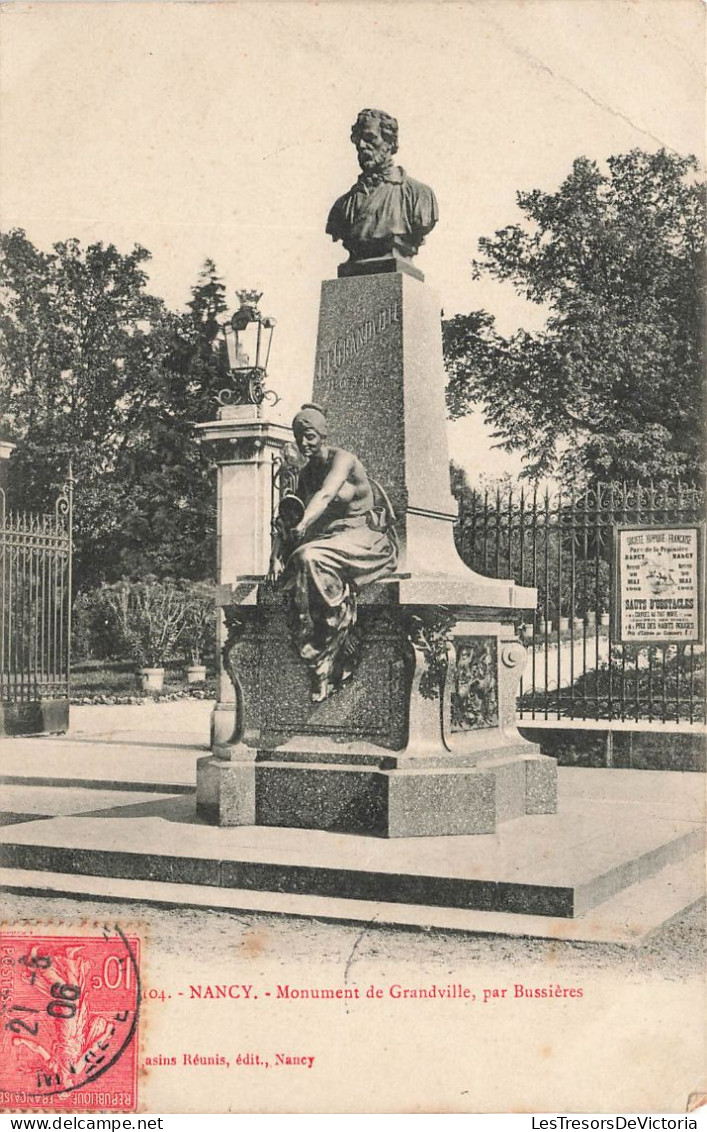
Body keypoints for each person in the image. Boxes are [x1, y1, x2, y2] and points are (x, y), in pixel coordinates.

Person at [269, 404, 398, 702]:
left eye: (310, 435)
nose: (304, 443)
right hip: (330, 541)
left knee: (308, 557)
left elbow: (326, 495)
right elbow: (286, 519)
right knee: (303, 558)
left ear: (324, 434)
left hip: (363, 538)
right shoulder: (306, 472)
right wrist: (275, 554)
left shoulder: (344, 460)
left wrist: (304, 523)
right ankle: (321, 652)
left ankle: (323, 651)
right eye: (299, 436)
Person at [326, 108, 438, 263]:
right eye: (358, 139)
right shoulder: (343, 205)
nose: (362, 145)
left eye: (369, 138)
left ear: (389, 142)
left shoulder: (419, 195)